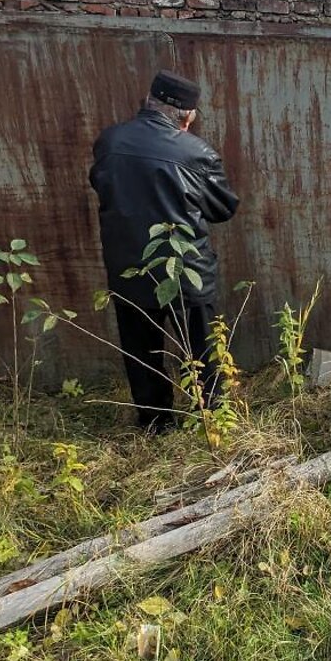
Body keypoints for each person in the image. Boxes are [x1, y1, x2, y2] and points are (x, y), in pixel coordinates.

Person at [90, 70, 240, 432]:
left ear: (148, 101)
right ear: (187, 116)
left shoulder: (109, 142)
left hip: (129, 268)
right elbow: (223, 208)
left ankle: (156, 423)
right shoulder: (196, 153)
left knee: (141, 351)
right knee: (203, 348)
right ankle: (212, 418)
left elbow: (101, 186)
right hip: (185, 270)